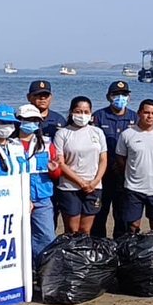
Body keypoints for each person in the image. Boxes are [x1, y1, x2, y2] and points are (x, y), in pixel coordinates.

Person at [115, 99, 153, 235]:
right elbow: (120, 159)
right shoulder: (127, 134)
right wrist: (131, 173)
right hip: (133, 189)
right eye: (146, 112)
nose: (150, 116)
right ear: (139, 113)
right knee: (133, 226)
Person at [54, 96, 107, 235]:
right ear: (71, 112)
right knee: (72, 230)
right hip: (69, 187)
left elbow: (103, 159)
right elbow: (60, 162)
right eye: (78, 111)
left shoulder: (97, 132)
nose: (82, 115)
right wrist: (81, 182)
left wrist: (94, 182)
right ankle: (69, 255)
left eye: (85, 111)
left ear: (90, 113)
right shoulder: (62, 133)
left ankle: (83, 256)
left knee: (85, 230)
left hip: (94, 187)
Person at [92, 80, 137, 238]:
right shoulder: (98, 116)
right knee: (99, 214)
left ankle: (120, 247)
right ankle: (99, 247)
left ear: (129, 97)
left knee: (122, 215)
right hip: (102, 175)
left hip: (124, 175)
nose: (120, 97)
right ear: (108, 97)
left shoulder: (135, 118)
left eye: (124, 94)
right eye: (116, 94)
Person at [16, 104, 61, 262]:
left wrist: (54, 170)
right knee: (17, 236)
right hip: (16, 197)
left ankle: (42, 271)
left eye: (35, 120)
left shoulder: (47, 143)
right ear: (19, 120)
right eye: (28, 119)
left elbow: (56, 174)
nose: (32, 123)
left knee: (46, 237)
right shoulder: (9, 144)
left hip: (41, 197)